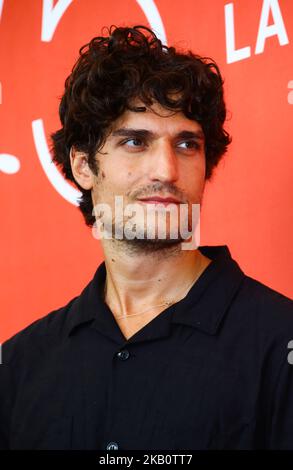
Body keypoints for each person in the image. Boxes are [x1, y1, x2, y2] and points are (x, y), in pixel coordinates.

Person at [1, 24, 293, 451]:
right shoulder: (20, 364)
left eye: (187, 144)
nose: (167, 171)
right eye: (136, 141)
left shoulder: (279, 340)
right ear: (83, 166)